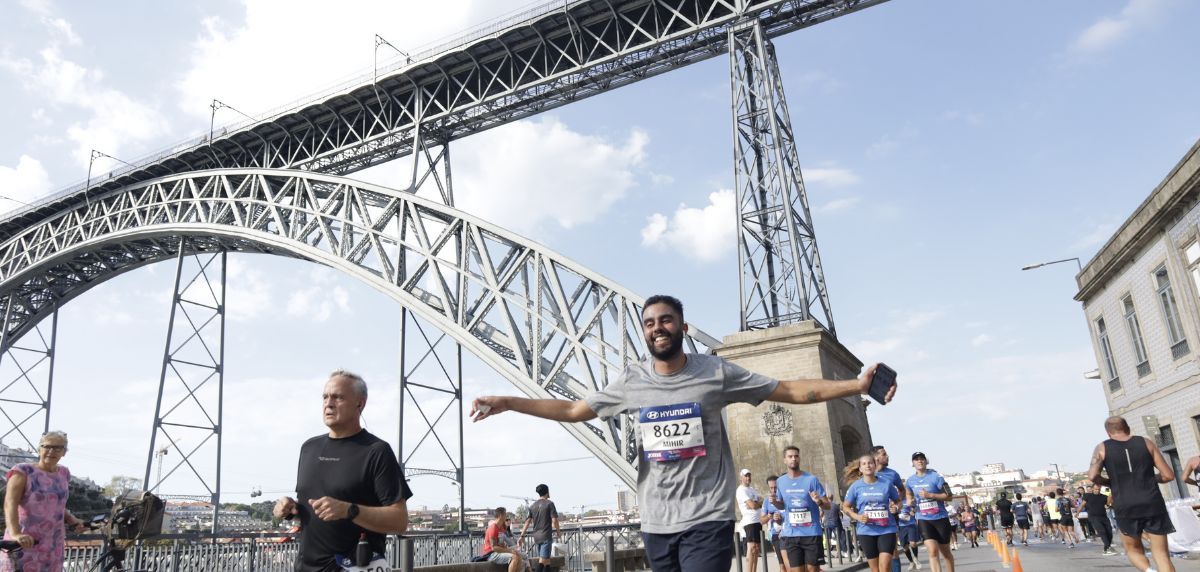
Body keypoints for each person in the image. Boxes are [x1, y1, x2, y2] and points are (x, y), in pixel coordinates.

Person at [470, 295, 897, 571]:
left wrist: (856, 386)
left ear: (682, 326)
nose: (658, 327)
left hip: (707, 517)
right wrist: (509, 402)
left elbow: (790, 390)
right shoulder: (632, 380)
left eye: (667, 320)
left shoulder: (716, 372)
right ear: (644, 331)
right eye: (650, 322)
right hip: (657, 520)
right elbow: (572, 409)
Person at [273, 370, 412, 572]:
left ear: (360, 403)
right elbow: (313, 515)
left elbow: (399, 521)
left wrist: (350, 510)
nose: (328, 403)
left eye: (338, 397)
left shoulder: (377, 451)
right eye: (325, 397)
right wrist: (289, 510)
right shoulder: (308, 448)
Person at [1088, 416, 1177, 572]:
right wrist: (1150, 478)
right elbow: (1168, 475)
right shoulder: (1146, 443)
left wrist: (1111, 482)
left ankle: (1150, 571)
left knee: (1133, 550)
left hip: (1125, 504)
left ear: (1108, 433)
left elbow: (1092, 476)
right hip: (1152, 502)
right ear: (1128, 428)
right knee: (1162, 554)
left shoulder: (1102, 448)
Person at [1, 430, 85, 572]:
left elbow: (56, 504)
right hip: (25, 541)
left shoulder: (64, 473)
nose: (51, 451)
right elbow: (10, 503)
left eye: (58, 448)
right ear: (39, 449)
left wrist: (72, 519)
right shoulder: (23, 471)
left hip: (53, 543)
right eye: (47, 446)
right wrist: (16, 533)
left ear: (64, 452)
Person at [773, 446, 830, 572]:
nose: (794, 459)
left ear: (799, 458)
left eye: (796, 456)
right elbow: (782, 505)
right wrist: (775, 502)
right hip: (791, 534)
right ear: (785, 460)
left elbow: (828, 505)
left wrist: (819, 501)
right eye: (790, 456)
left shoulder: (811, 480)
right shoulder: (780, 481)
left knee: (812, 570)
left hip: (811, 533)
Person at [843, 455, 900, 572]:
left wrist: (896, 507)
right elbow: (845, 507)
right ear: (860, 469)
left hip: (887, 529)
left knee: (884, 567)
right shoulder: (856, 487)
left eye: (870, 463)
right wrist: (857, 516)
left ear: (875, 466)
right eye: (864, 464)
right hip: (866, 531)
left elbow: (898, 501)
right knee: (875, 570)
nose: (867, 465)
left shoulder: (886, 483)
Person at [905, 452, 954, 572]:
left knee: (945, 552)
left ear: (926, 462)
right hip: (923, 519)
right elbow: (908, 493)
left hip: (940, 518)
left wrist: (930, 495)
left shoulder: (936, 477)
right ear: (912, 464)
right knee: (932, 550)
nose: (919, 461)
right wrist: (909, 501)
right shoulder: (910, 480)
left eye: (922, 459)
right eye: (916, 459)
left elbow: (949, 496)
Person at [520, 484, 560, 572]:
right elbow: (555, 520)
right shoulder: (549, 503)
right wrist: (558, 532)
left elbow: (527, 521)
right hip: (546, 536)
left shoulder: (532, 506)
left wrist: (522, 535)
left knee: (547, 561)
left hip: (536, 537)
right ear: (547, 492)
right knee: (542, 561)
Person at [737, 469, 765, 572]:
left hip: (757, 521)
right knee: (751, 547)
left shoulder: (752, 489)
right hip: (749, 521)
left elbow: (762, 500)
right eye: (746, 476)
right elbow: (752, 505)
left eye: (749, 475)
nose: (748, 478)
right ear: (741, 477)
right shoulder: (741, 490)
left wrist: (756, 503)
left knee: (757, 549)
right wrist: (755, 503)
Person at [482, 507, 524, 572]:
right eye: (505, 514)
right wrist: (509, 551)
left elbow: (500, 543)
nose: (506, 516)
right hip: (491, 554)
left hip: (498, 551)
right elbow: (494, 547)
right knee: (514, 557)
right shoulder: (493, 528)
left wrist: (509, 549)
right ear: (500, 516)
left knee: (519, 556)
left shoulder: (500, 528)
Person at [1083, 483, 1118, 556]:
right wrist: (1078, 512)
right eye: (1096, 489)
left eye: (1098, 489)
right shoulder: (1087, 496)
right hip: (1093, 517)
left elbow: (1108, 504)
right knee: (1102, 531)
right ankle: (1108, 547)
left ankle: (1106, 548)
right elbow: (1082, 504)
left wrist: (1109, 500)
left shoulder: (1104, 497)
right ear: (1092, 489)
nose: (1097, 491)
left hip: (1103, 516)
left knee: (1109, 531)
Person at [761, 475, 788, 569]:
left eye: (775, 487)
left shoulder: (786, 497)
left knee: (790, 565)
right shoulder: (766, 501)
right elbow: (761, 521)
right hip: (776, 535)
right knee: (782, 566)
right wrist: (770, 516)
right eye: (771, 488)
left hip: (788, 534)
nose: (774, 490)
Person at [897, 497, 922, 572]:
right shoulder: (894, 501)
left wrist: (913, 511)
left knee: (913, 543)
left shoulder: (909, 499)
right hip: (901, 526)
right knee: (904, 546)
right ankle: (911, 562)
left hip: (911, 524)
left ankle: (916, 559)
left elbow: (918, 507)